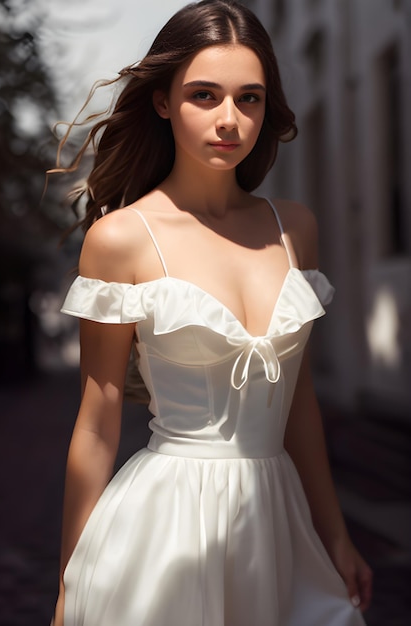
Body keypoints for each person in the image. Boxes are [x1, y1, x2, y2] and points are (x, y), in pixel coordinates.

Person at [52, 1, 373, 624]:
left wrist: (333, 533)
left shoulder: (293, 228)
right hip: (168, 526)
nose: (230, 120)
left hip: (277, 522)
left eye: (249, 99)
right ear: (163, 101)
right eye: (205, 95)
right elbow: (97, 421)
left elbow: (297, 398)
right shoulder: (121, 239)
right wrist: (71, 580)